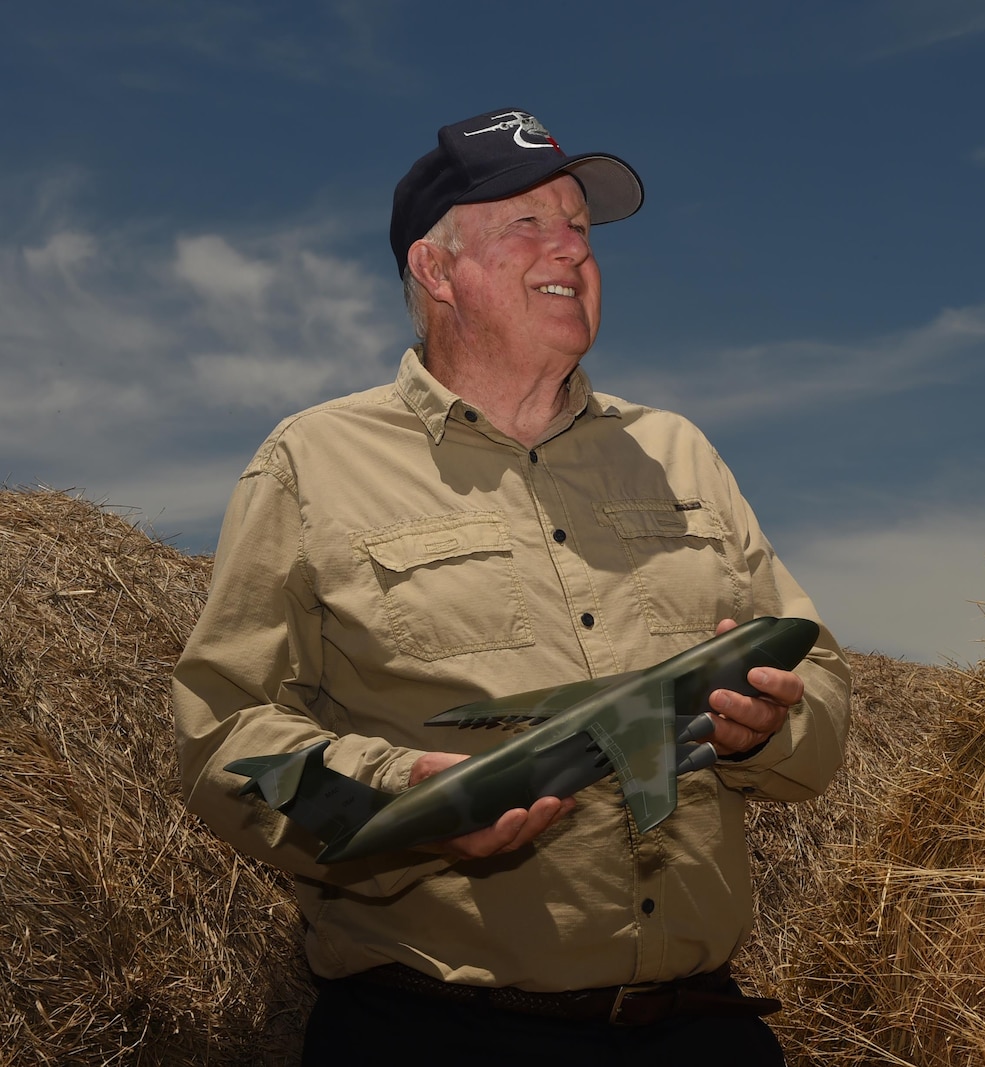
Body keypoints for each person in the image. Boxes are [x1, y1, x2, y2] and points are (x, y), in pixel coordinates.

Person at [172, 107, 852, 1066]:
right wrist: (398, 802)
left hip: (703, 1031)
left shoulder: (678, 453)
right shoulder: (313, 461)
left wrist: (774, 724)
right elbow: (221, 741)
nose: (570, 248)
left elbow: (816, 672)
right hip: (434, 1033)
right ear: (437, 269)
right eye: (528, 223)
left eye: (580, 226)